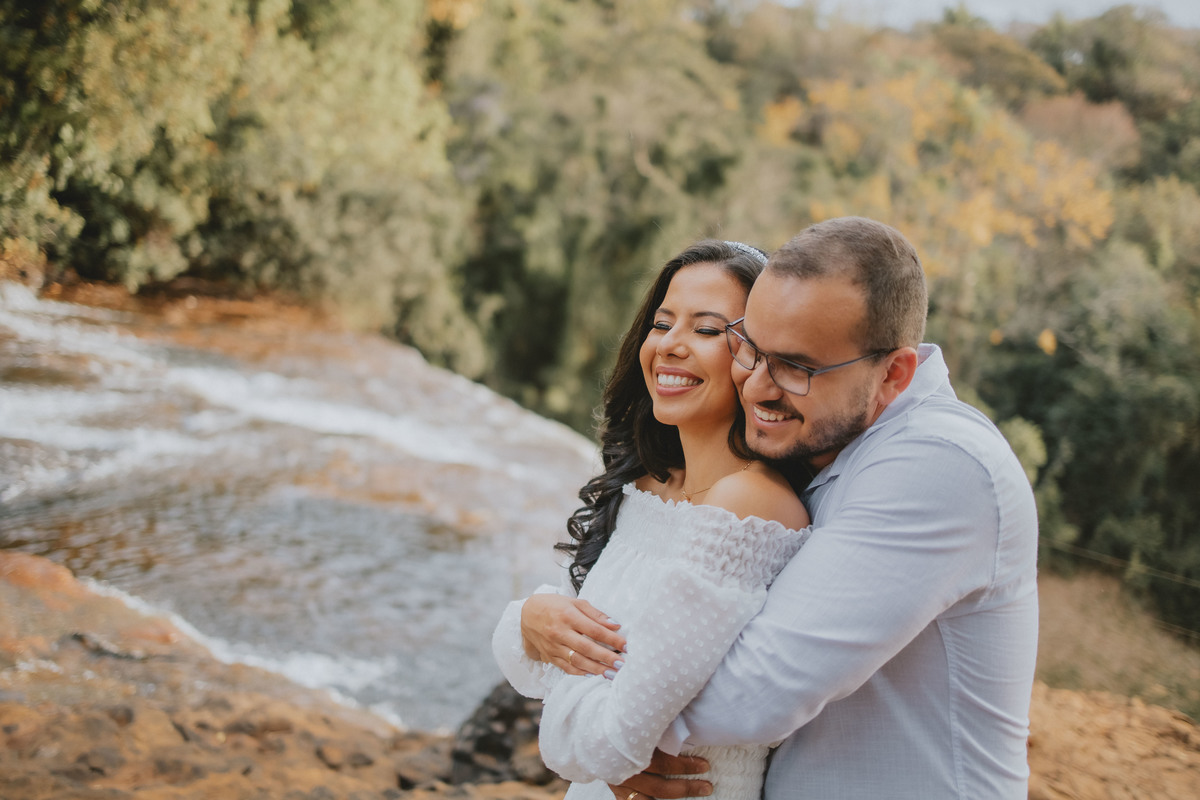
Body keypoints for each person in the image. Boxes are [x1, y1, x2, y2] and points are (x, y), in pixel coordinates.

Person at [522, 217, 1040, 799]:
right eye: (752, 350)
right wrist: (533, 624)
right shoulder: (819, 442)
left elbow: (750, 695)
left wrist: (619, 736)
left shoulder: (937, 464)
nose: (756, 386)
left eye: (796, 367)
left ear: (893, 374)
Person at [491, 240, 811, 800]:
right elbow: (557, 655)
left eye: (707, 330)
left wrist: (563, 682)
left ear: (761, 359)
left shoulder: (748, 508)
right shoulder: (645, 488)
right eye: (662, 324)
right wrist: (527, 620)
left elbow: (612, 741)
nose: (670, 345)